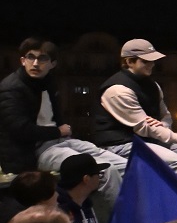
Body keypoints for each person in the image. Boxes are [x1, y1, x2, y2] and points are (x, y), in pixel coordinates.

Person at [91, 39, 177, 204]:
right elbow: (143, 127)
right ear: (129, 61)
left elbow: (165, 115)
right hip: (120, 144)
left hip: (148, 140)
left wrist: (162, 125)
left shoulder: (153, 85)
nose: (152, 64)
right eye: (146, 61)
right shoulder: (117, 90)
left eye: (153, 60)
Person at [1, 38, 127, 202]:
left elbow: (56, 116)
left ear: (52, 64)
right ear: (23, 61)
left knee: (126, 165)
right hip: (35, 151)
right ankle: (123, 218)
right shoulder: (11, 88)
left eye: (42, 58)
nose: (36, 63)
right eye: (31, 57)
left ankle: (143, 211)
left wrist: (61, 131)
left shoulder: (48, 83)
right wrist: (58, 131)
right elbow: (19, 130)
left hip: (61, 141)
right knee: (105, 170)